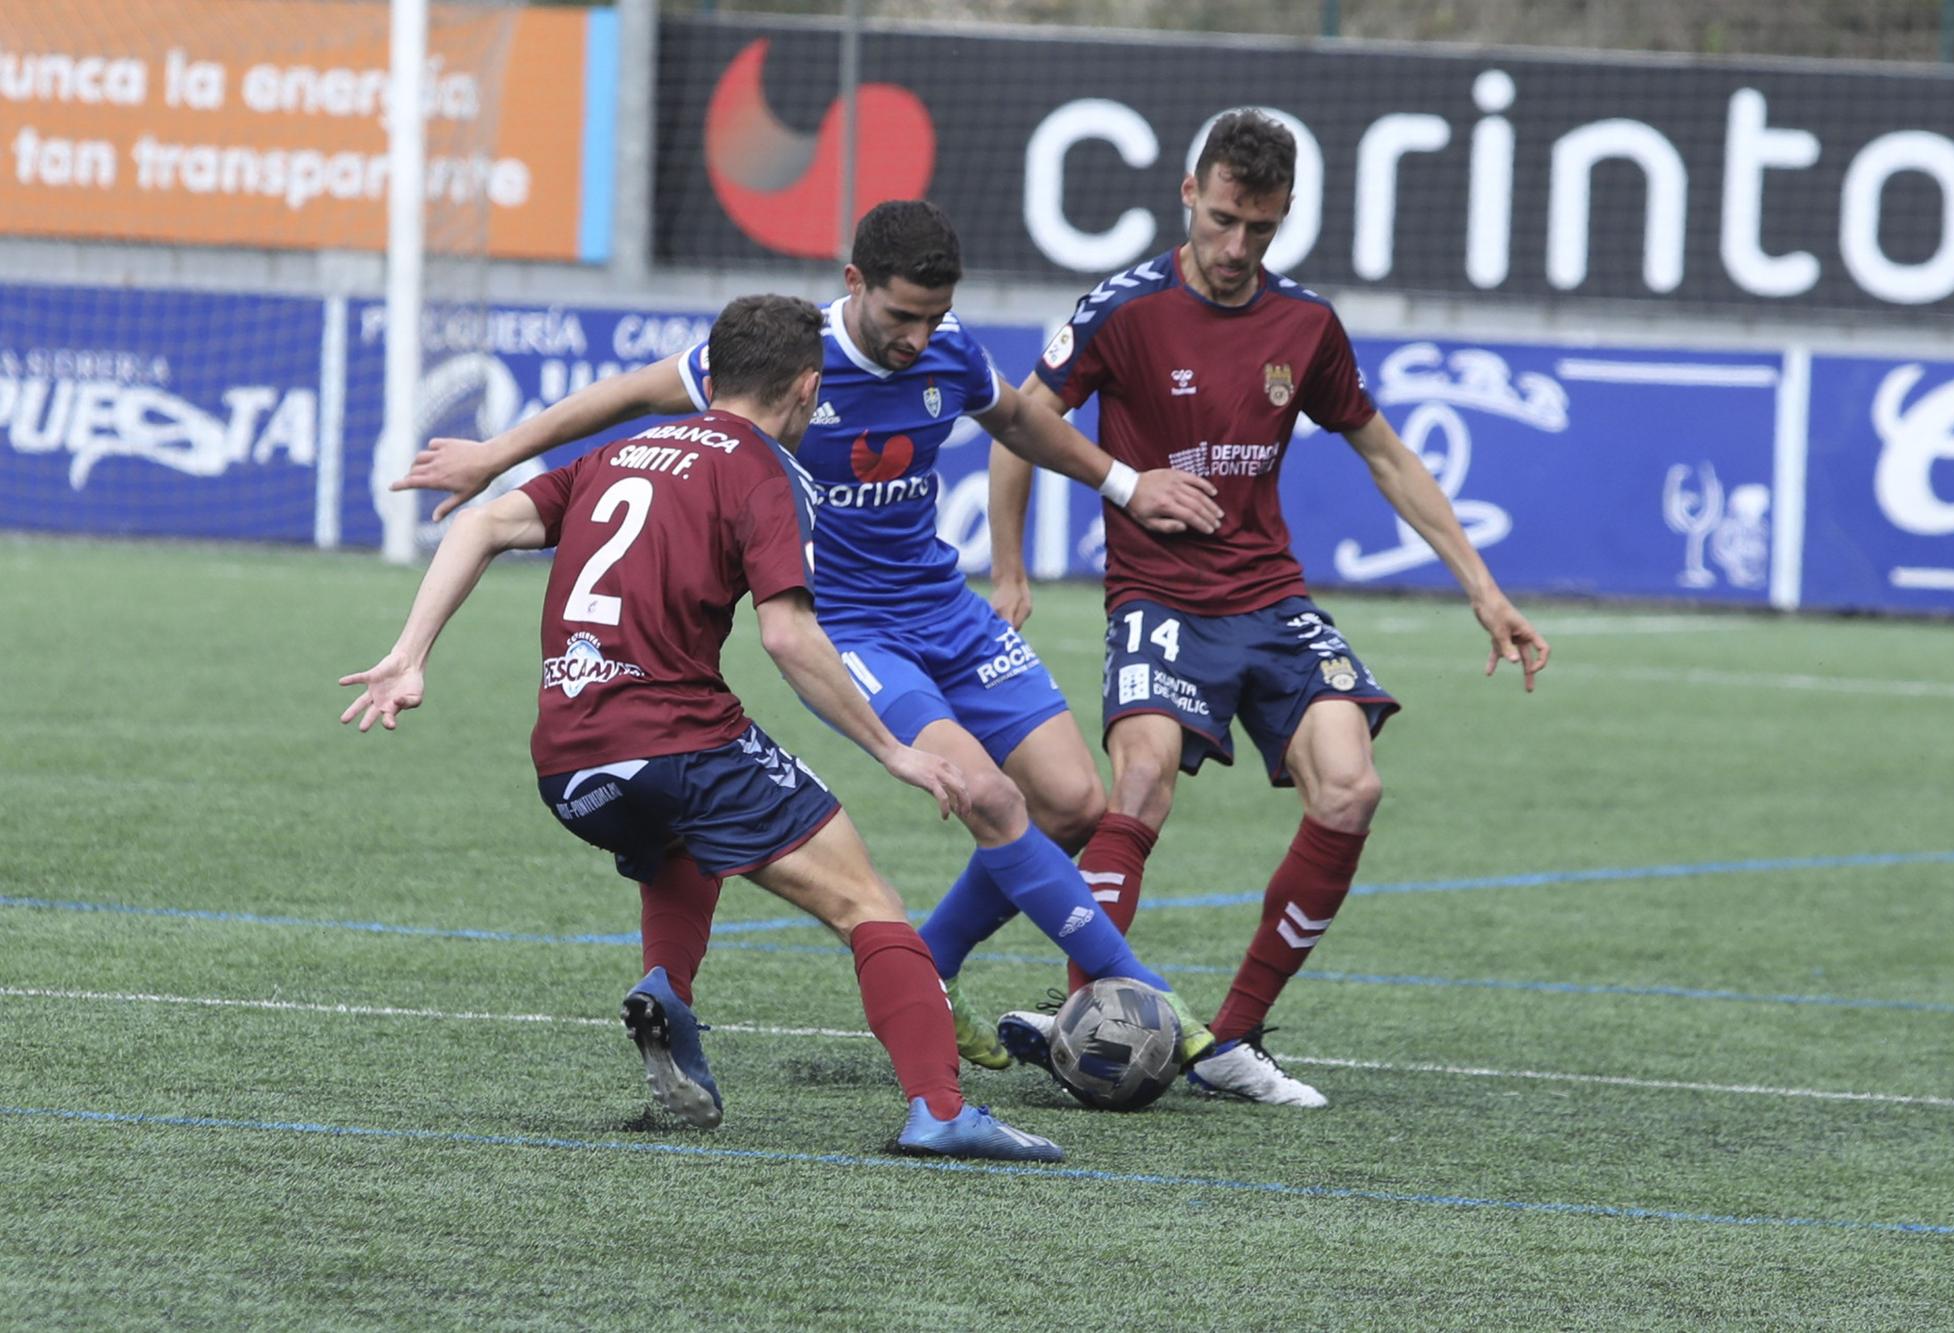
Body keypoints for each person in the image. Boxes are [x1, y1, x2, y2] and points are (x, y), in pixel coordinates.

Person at [391, 201, 1226, 1076]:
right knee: (986, 793)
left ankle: (927, 966)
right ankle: (1160, 1006)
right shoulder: (789, 362)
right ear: (854, 284)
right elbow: (628, 394)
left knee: (1074, 804)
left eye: (935, 317)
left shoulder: (950, 349)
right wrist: (496, 453)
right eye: (903, 316)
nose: (918, 337)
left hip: (945, 605)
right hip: (852, 627)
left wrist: (1127, 484)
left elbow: (1017, 420)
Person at [339, 293, 1062, 1161]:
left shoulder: (619, 452)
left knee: (680, 838)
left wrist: (410, 654)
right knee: (867, 902)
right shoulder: (766, 472)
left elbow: (487, 520)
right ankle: (941, 1109)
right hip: (678, 738)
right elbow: (790, 634)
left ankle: (665, 990)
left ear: (710, 376)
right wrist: (895, 748)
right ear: (806, 387)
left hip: (569, 762)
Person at [982, 110, 1551, 1107]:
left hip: (1270, 597)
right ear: (1187, 197)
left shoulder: (1305, 326)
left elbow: (1383, 452)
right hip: (1158, 596)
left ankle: (1232, 1039)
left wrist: (1482, 588)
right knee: (1141, 781)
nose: (1237, 248)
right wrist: (1010, 570)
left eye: (1261, 229)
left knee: (1350, 789)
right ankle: (1091, 1014)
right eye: (1222, 221)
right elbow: (1015, 425)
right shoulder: (1122, 309)